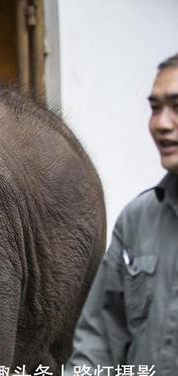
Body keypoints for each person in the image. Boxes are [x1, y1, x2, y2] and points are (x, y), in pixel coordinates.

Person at [66, 53, 178, 375]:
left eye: (176, 106)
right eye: (155, 108)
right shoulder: (137, 221)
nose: (161, 123)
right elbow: (99, 340)